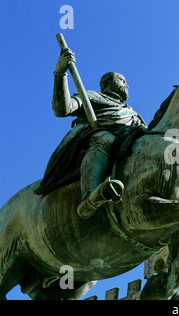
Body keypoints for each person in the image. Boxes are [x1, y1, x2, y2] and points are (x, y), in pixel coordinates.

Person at [35, 48, 147, 219]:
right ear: (108, 83)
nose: (127, 85)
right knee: (105, 139)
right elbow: (62, 109)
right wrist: (60, 73)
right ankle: (89, 198)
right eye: (122, 80)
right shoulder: (93, 96)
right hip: (98, 139)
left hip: (127, 141)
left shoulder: (132, 113)